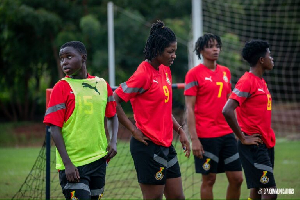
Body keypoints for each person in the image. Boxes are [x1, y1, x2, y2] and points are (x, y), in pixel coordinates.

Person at [113, 20, 190, 200]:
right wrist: (133, 130)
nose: (174, 56)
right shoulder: (142, 74)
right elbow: (114, 100)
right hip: (148, 147)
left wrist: (179, 130)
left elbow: (164, 109)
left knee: (178, 197)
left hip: (166, 145)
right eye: (170, 52)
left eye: (175, 51)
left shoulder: (165, 70)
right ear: (157, 51)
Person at [43, 41, 118, 200]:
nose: (64, 62)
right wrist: (67, 164)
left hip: (99, 161)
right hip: (73, 166)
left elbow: (112, 116)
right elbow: (54, 129)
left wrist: (113, 141)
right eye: (62, 58)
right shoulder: (61, 87)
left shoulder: (102, 85)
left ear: (83, 58)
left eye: (69, 57)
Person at [184, 33, 243, 199]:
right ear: (201, 50)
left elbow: (229, 103)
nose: (215, 49)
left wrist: (237, 131)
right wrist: (194, 139)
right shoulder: (193, 74)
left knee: (237, 178)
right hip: (206, 136)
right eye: (210, 46)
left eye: (217, 46)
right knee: (209, 180)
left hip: (227, 134)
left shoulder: (226, 72)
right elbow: (189, 107)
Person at [223, 39, 277, 199]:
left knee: (258, 190)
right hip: (254, 146)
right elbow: (227, 110)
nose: (272, 58)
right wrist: (242, 137)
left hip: (265, 143)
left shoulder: (261, 82)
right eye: (269, 55)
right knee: (270, 192)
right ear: (261, 60)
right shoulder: (247, 81)